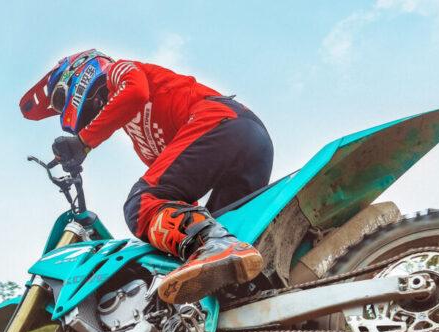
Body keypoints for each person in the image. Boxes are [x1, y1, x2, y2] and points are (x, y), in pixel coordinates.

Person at [20, 49, 274, 304]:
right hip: (251, 142)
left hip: (221, 119)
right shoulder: (141, 139)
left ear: (79, 73)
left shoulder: (117, 71)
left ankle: (213, 245)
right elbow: (178, 197)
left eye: (60, 100)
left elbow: (136, 91)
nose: (62, 110)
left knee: (140, 205)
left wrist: (84, 141)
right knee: (228, 238)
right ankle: (255, 294)